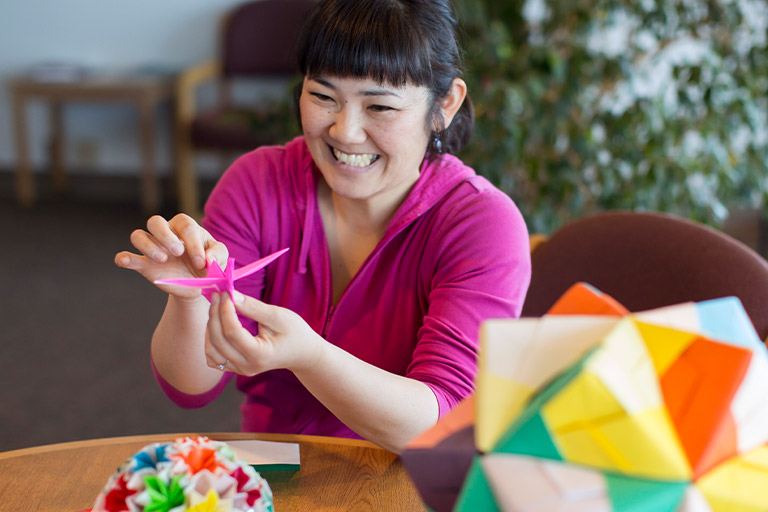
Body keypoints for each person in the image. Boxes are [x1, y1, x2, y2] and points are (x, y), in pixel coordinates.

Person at [115, 0, 531, 453]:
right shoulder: (257, 183)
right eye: (323, 97)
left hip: (405, 478)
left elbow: (439, 426)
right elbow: (192, 388)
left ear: (445, 104)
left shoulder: (481, 224)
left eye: (380, 106)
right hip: (279, 467)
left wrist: (311, 357)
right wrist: (190, 302)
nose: (345, 131)